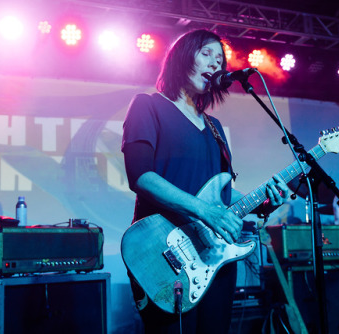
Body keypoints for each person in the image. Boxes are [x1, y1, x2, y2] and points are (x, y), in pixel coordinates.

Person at [121, 29, 289, 334]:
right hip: (164, 253)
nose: (216, 64)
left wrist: (263, 201)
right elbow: (140, 176)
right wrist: (205, 211)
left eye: (220, 58)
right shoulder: (148, 106)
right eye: (206, 53)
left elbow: (222, 195)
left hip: (215, 259)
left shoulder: (215, 129)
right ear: (182, 58)